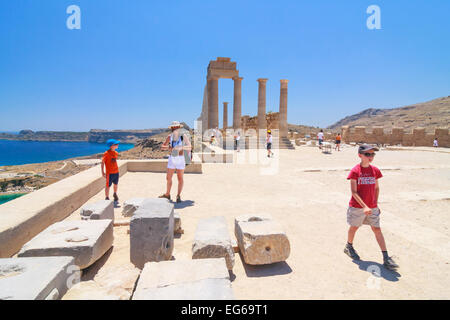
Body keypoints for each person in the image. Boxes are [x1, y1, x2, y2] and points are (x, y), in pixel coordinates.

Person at [344, 144, 399, 270]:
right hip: (357, 207)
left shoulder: (375, 170)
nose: (370, 157)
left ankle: (386, 258)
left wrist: (375, 204)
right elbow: (354, 192)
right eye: (367, 154)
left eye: (372, 154)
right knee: (354, 227)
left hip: (372, 207)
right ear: (360, 155)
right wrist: (365, 206)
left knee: (377, 229)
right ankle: (349, 246)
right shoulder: (355, 171)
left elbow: (376, 188)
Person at [159, 121, 192, 203]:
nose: (175, 129)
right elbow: (162, 147)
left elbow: (189, 147)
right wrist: (168, 147)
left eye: (176, 127)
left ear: (179, 128)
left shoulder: (183, 136)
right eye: (173, 127)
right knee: (168, 178)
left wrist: (181, 147)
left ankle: (178, 196)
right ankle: (167, 194)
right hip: (172, 159)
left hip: (180, 159)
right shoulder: (169, 137)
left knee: (180, 178)